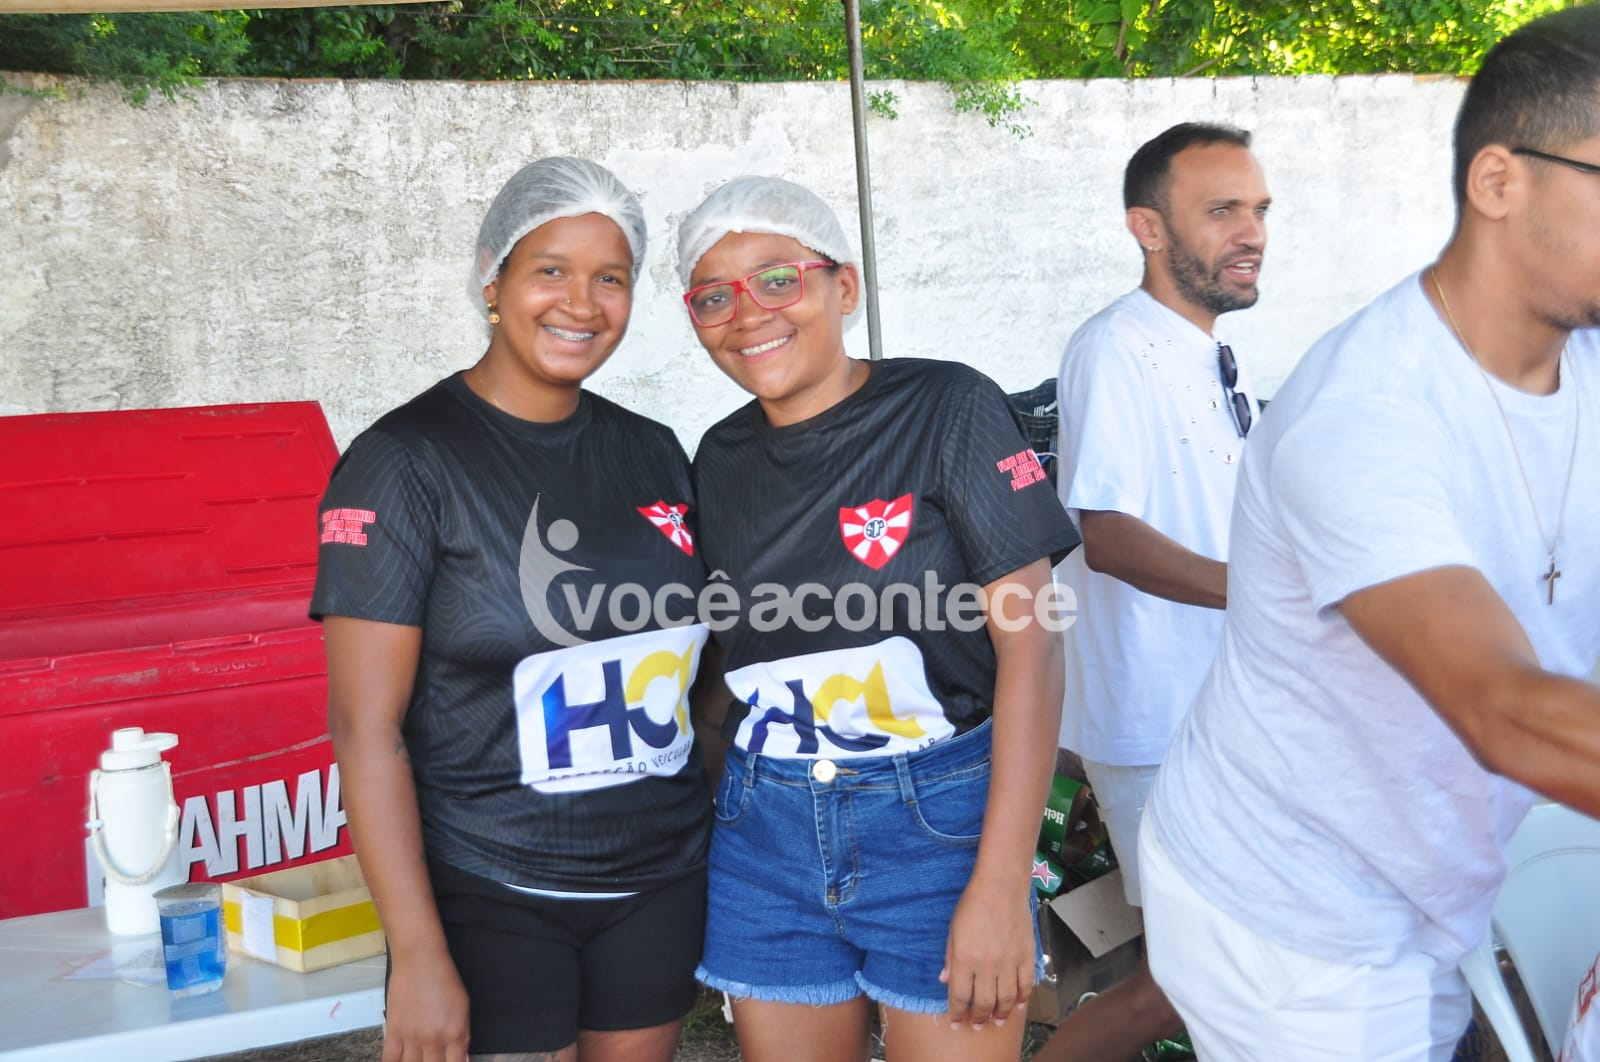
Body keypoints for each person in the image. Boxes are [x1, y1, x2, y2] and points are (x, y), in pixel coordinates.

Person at [1138, 8, 1600, 1059]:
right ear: (1499, 182)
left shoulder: (1580, 355)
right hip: (1295, 915)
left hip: (1433, 869)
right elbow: (1504, 710)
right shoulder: (1363, 415)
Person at [311, 157, 712, 1062]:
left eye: (611, 278)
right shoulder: (404, 461)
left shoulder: (654, 451)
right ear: (493, 280)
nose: (582, 303)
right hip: (492, 889)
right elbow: (365, 730)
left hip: (659, 883)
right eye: (550, 270)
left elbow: (701, 664)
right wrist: (417, 954)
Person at [677, 176, 1079, 1062]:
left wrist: (1000, 884)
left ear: (845, 286)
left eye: (778, 278)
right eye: (713, 296)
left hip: (942, 829)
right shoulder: (718, 459)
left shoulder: (947, 408)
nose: (747, 313)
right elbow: (723, 671)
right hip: (764, 831)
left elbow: (1034, 651)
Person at [1037, 121, 1269, 1062]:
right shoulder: (1116, 348)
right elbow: (1110, 536)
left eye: (1259, 210)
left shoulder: (1205, 349)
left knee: (1207, 977)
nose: (1251, 233)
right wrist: (1271, 595)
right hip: (1159, 723)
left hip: (1223, 711)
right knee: (1189, 982)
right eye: (1222, 211)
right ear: (1148, 228)